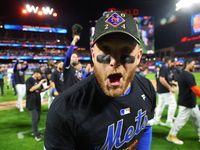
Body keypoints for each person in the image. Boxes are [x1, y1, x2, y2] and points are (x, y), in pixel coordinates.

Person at [44, 11, 156, 150]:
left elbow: (146, 128)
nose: (114, 61)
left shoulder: (147, 87)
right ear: (93, 55)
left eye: (126, 50)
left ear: (138, 56)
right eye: (105, 50)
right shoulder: (64, 108)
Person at [166, 59, 200, 144]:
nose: (194, 66)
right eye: (192, 64)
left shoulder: (182, 74)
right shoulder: (188, 75)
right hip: (186, 103)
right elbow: (195, 89)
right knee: (180, 120)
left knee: (198, 119)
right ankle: (171, 136)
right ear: (187, 64)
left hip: (190, 102)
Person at [25, 68, 50, 141]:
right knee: (35, 118)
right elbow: (31, 89)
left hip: (37, 102)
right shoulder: (29, 80)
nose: (41, 75)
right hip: (31, 102)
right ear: (35, 73)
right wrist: (40, 82)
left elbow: (40, 90)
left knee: (38, 118)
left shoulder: (38, 81)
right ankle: (36, 134)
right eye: (40, 74)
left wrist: (47, 88)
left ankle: (34, 131)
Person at [153, 56, 177, 128]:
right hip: (164, 90)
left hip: (160, 90)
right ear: (168, 61)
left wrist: (171, 83)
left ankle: (156, 120)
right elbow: (162, 79)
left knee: (161, 105)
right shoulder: (164, 67)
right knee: (173, 104)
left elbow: (163, 79)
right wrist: (170, 88)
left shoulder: (162, 67)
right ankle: (169, 121)